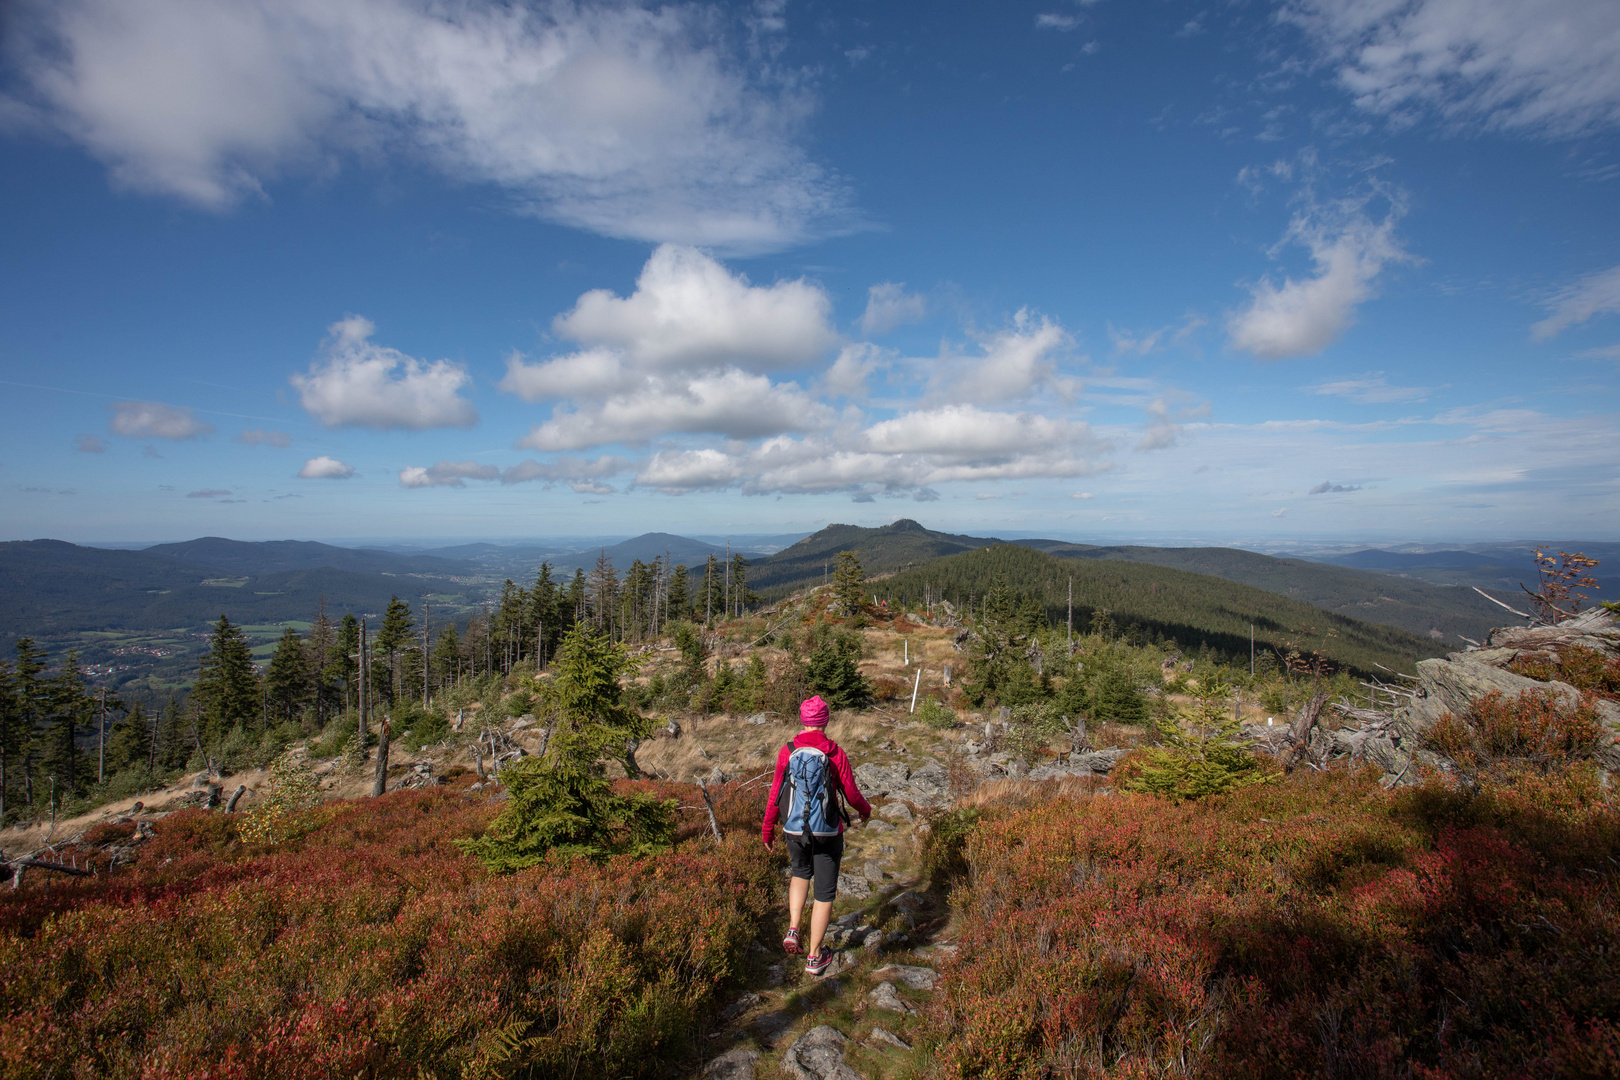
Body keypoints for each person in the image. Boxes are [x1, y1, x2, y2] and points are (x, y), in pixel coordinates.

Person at [762, 695, 872, 976]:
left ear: (803, 720)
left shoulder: (787, 751)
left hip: (794, 830)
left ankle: (793, 928)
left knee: (800, 874)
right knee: (824, 892)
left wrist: (768, 829)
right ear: (825, 721)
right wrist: (865, 810)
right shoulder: (835, 752)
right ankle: (814, 956)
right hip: (827, 832)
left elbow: (776, 793)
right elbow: (850, 792)